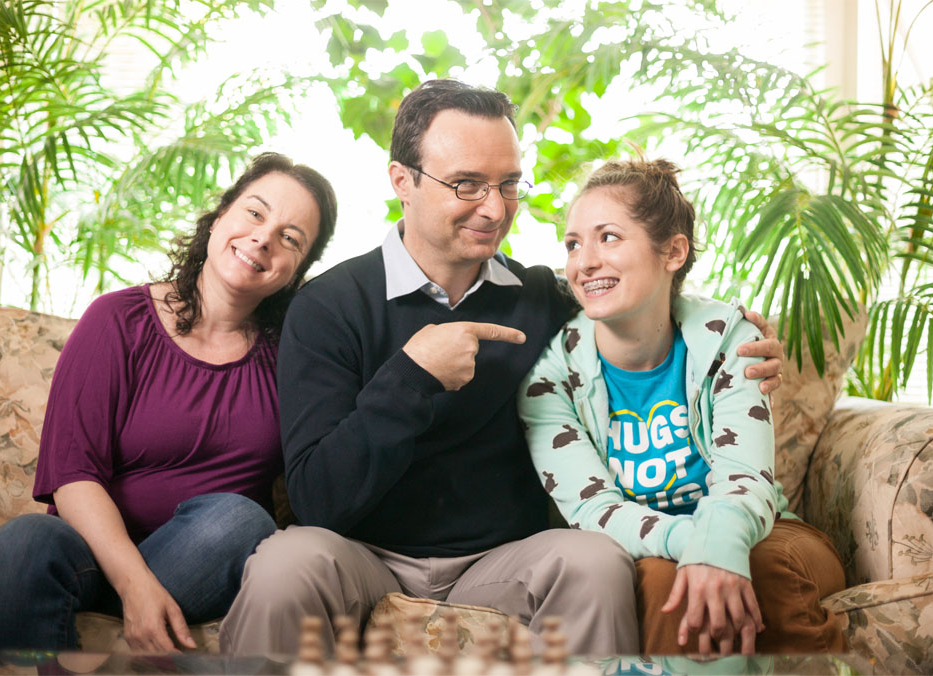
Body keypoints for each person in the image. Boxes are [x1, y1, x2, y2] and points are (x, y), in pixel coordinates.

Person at [221, 80, 784, 657]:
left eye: (508, 184)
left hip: (502, 562)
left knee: (594, 562)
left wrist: (732, 333)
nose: (495, 209)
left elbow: (635, 299)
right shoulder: (328, 306)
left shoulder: (541, 297)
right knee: (284, 564)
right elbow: (316, 501)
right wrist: (411, 376)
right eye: (467, 184)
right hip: (361, 558)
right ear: (402, 181)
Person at [0, 152, 338, 671]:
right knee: (22, 541)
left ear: (298, 271)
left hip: (199, 566)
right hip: (83, 557)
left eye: (290, 238)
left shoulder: (294, 361)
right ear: (219, 217)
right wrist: (135, 585)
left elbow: (329, 467)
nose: (263, 238)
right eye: (254, 213)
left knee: (238, 519)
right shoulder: (118, 320)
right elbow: (72, 475)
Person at [518, 158, 847, 656]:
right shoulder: (550, 377)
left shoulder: (732, 339)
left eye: (608, 237)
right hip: (643, 546)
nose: (584, 262)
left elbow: (746, 477)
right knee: (660, 586)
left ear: (673, 251)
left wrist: (720, 543)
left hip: (764, 531)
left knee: (765, 569)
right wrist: (698, 545)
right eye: (573, 244)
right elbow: (594, 509)